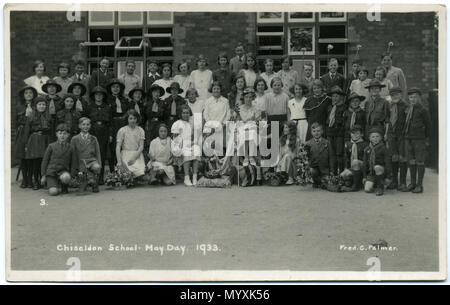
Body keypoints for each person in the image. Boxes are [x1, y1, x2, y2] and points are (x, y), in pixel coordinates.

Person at [403, 88, 431, 194]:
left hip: (419, 139)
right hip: (408, 138)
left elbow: (428, 126)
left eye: (415, 97)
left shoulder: (423, 110)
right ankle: (413, 183)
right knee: (411, 161)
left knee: (419, 161)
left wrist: (425, 138)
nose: (413, 99)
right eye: (411, 97)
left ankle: (420, 185)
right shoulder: (408, 109)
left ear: (419, 97)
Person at [24, 96, 52, 190]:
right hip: (35, 139)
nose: (42, 106)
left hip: (45, 139)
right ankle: (35, 181)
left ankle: (43, 180)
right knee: (35, 161)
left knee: (44, 160)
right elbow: (27, 130)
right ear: (36, 106)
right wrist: (26, 143)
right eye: (39, 104)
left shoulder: (49, 116)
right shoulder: (31, 116)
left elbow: (51, 129)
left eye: (43, 104)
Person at [86, 86, 112, 185]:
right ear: (94, 96)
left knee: (102, 153)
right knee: (92, 153)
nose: (98, 96)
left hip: (104, 131)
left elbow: (110, 122)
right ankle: (92, 177)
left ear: (103, 96)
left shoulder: (107, 107)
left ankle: (100, 177)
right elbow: (86, 120)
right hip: (93, 130)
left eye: (100, 94)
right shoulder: (89, 107)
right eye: (96, 94)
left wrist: (110, 134)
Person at [171, 105, 203, 186]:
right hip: (180, 146)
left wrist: (193, 143)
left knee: (196, 150)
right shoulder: (177, 123)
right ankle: (186, 177)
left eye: (187, 113)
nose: (186, 115)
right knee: (187, 152)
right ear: (180, 114)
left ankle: (194, 177)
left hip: (190, 144)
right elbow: (175, 139)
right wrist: (180, 147)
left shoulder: (191, 123)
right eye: (184, 113)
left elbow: (193, 137)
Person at [70, 117, 102, 194]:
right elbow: (73, 154)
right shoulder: (75, 139)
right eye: (83, 124)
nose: (85, 126)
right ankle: (86, 181)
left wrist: (99, 164)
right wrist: (74, 169)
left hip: (91, 161)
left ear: (90, 126)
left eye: (87, 124)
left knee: (96, 167)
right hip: (80, 162)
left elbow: (97, 152)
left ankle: (94, 182)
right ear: (79, 126)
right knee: (82, 189)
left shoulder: (93, 138)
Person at [106, 78, 133, 170]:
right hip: (113, 124)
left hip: (123, 123)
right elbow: (107, 115)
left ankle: (124, 170)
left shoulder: (125, 100)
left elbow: (129, 112)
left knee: (124, 146)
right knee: (113, 147)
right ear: (110, 88)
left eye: (117, 87)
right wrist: (109, 131)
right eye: (113, 87)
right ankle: (112, 171)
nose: (115, 89)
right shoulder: (107, 100)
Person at [15, 86, 38, 188]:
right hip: (22, 132)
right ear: (23, 96)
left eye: (31, 93)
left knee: (31, 156)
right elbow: (16, 121)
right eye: (26, 93)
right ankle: (24, 179)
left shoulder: (36, 106)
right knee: (23, 156)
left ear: (33, 95)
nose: (28, 95)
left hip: (32, 132)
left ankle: (30, 179)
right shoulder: (19, 107)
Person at [41, 123, 73, 196]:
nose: (62, 135)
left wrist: (72, 175)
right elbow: (45, 161)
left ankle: (64, 185)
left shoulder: (70, 147)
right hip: (51, 172)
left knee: (66, 177)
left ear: (68, 135)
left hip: (63, 171)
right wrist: (43, 175)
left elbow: (73, 162)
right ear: (56, 134)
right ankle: (53, 185)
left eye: (64, 134)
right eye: (60, 133)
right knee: (53, 192)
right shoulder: (51, 146)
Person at [386, 87, 408, 191]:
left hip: (402, 134)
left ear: (401, 95)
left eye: (397, 95)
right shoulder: (389, 105)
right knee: (393, 157)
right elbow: (387, 119)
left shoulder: (406, 106)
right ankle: (394, 181)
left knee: (402, 157)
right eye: (393, 95)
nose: (395, 97)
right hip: (391, 134)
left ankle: (403, 182)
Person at [115, 110, 146, 180]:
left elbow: (141, 147)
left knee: (139, 172)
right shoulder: (122, 130)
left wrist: (134, 158)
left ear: (137, 119)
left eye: (135, 118)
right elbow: (118, 147)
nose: (133, 120)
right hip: (125, 154)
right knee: (126, 172)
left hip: (137, 154)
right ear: (127, 119)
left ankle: (136, 177)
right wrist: (119, 161)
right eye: (131, 118)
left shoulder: (141, 130)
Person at [362, 127, 391, 196]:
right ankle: (376, 183)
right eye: (373, 137)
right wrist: (364, 177)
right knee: (367, 189)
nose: (375, 139)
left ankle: (380, 187)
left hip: (381, 171)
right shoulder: (367, 149)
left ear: (381, 137)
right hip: (372, 172)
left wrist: (388, 176)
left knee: (377, 167)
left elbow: (388, 163)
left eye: (377, 136)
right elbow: (365, 164)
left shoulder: (384, 148)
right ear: (369, 138)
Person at [305, 123, 334, 188]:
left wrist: (332, 171)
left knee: (326, 183)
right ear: (311, 132)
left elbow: (331, 157)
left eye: (318, 131)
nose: (316, 133)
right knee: (312, 171)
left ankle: (322, 181)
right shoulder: (308, 143)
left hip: (325, 169)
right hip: (314, 168)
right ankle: (315, 181)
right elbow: (306, 158)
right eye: (314, 131)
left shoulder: (327, 142)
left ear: (322, 131)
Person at [237, 88, 261, 167]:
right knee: (245, 132)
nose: (248, 99)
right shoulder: (239, 108)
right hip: (242, 129)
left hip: (253, 128)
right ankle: (247, 156)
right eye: (246, 97)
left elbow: (257, 121)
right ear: (243, 98)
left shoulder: (256, 108)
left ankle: (250, 156)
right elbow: (238, 121)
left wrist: (250, 123)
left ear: (253, 98)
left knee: (251, 131)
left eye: (250, 97)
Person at [326, 86, 347, 175]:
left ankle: (341, 172)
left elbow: (344, 121)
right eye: (333, 96)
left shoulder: (344, 107)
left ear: (341, 97)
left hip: (339, 133)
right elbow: (328, 119)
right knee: (332, 154)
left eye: (337, 96)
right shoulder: (330, 107)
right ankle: (333, 172)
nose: (335, 98)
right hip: (330, 132)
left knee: (339, 153)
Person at [340, 125, 368, 192]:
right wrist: (346, 168)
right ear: (350, 134)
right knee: (342, 175)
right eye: (353, 133)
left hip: (363, 167)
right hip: (353, 168)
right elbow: (346, 158)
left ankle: (355, 186)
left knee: (355, 162)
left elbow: (366, 161)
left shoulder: (365, 144)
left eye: (357, 133)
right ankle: (353, 181)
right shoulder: (348, 143)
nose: (354, 135)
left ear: (362, 134)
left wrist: (364, 175)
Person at [142, 84, 168, 153]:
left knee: (159, 142)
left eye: (158, 92)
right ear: (151, 93)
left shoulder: (163, 103)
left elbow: (165, 116)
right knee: (149, 143)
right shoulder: (146, 103)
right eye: (154, 92)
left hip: (159, 124)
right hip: (149, 124)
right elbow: (144, 116)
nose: (156, 94)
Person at [276, 121, 298, 185]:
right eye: (284, 127)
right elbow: (280, 153)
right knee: (285, 157)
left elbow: (296, 154)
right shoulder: (282, 139)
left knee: (288, 156)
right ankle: (284, 175)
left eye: (286, 127)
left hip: (294, 161)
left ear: (291, 129)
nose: (284, 129)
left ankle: (291, 177)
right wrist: (278, 162)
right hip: (284, 160)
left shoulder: (296, 139)